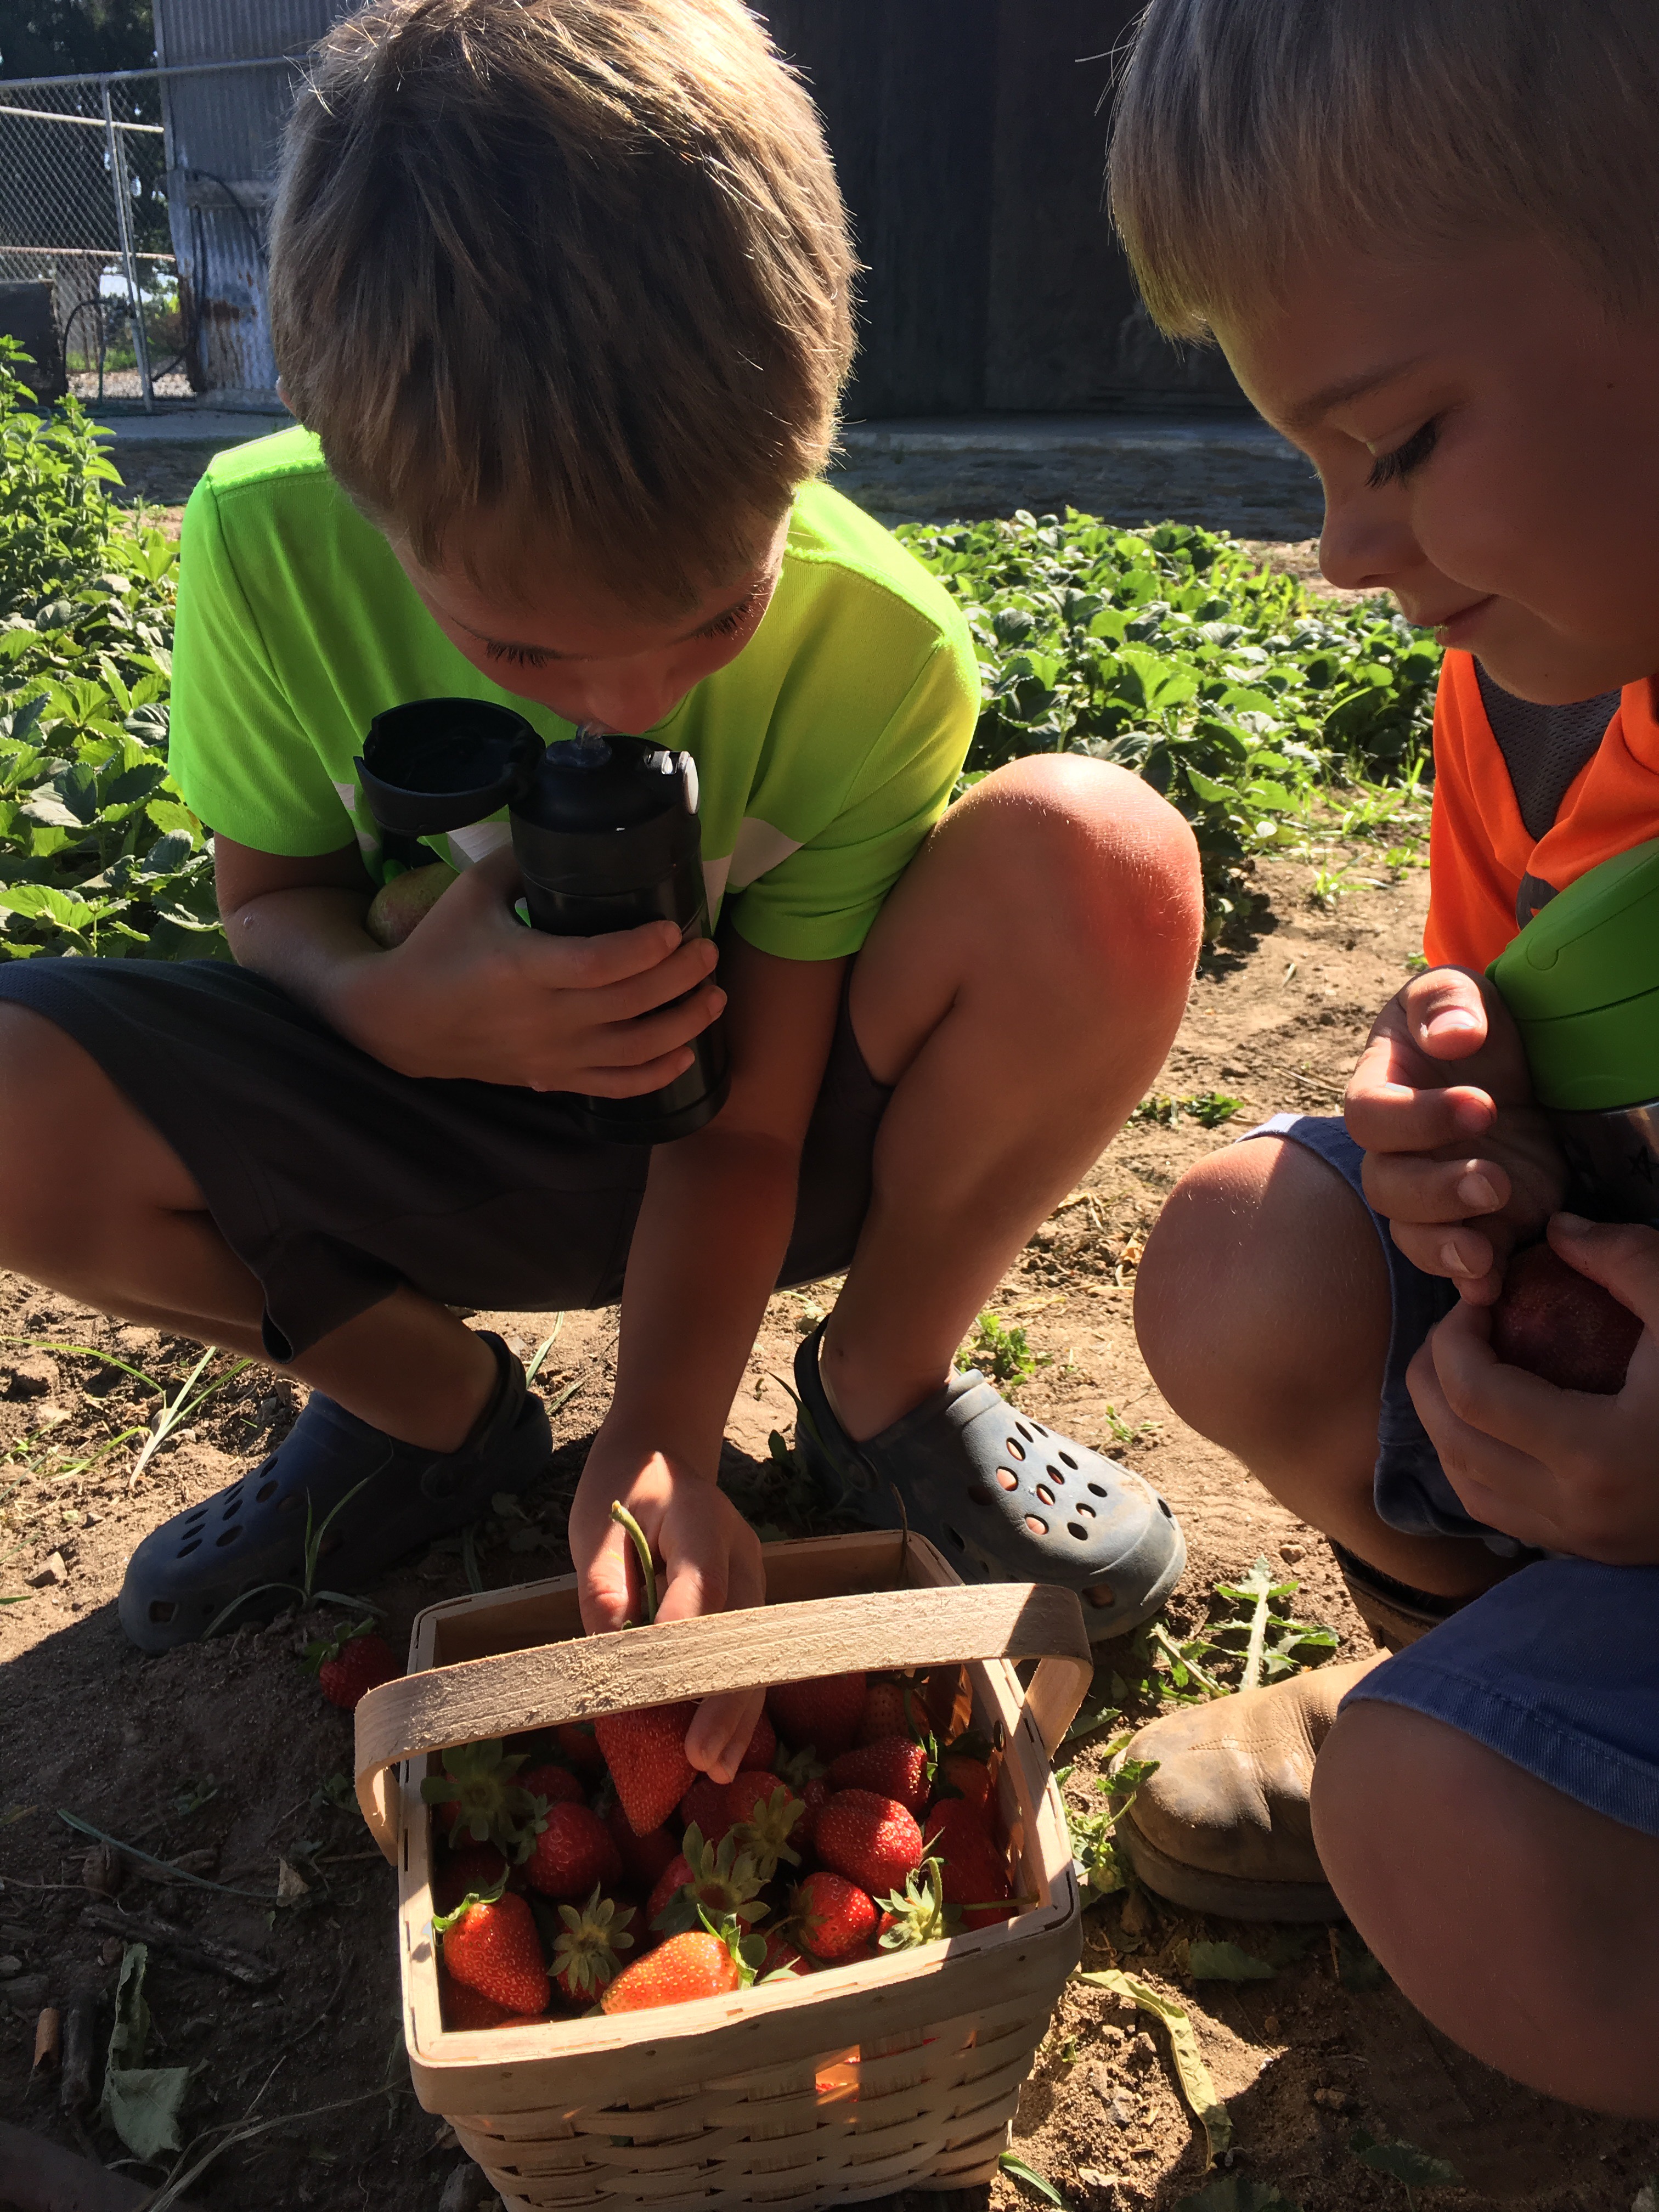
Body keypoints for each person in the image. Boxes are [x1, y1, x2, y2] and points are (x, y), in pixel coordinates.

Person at [0, 0, 1202, 1776]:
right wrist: (386, 1006)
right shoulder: (263, 547)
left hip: (746, 1146)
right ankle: (422, 1409)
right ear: (358, 490)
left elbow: (751, 1125)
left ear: (809, 441)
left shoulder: (878, 645)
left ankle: (884, 1387)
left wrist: (663, 1434)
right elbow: (270, 905)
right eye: (521, 648)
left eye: (719, 615)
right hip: (417, 1128)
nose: (630, 706)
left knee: (1105, 861)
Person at [1111, 0, 1659, 2113]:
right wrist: (1461, 1128)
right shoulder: (1531, 679)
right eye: (1315, 462)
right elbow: (1521, 1036)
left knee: (1458, 1849)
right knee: (1243, 1259)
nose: (1343, 546)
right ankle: (1494, 1672)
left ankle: (1522, 1755)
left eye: (1405, 443)